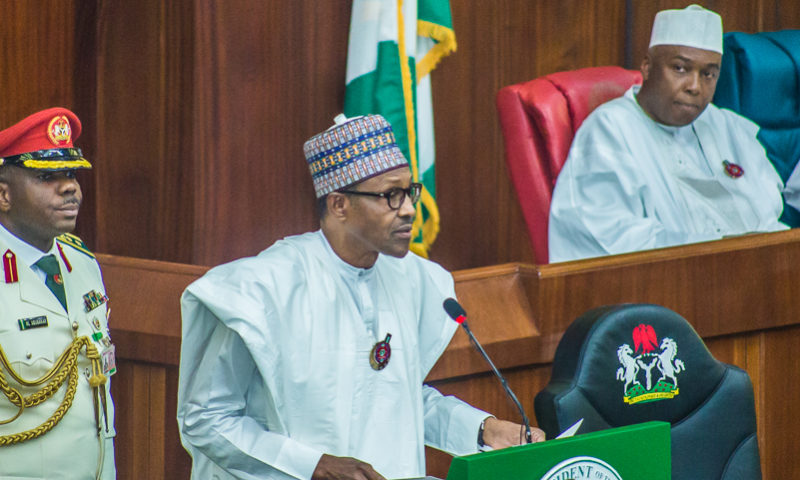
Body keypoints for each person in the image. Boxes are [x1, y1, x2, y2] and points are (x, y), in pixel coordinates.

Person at [177, 114, 545, 480]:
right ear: (339, 205)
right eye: (390, 196)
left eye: (410, 191)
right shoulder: (262, 290)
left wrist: (483, 430)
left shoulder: (414, 279)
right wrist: (314, 466)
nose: (409, 209)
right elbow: (206, 419)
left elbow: (396, 403)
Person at [548, 5, 788, 263]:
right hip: (662, 290)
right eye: (680, 69)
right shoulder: (610, 130)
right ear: (647, 67)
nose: (695, 87)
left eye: (708, 74)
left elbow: (769, 217)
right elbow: (610, 241)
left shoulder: (726, 126)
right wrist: (721, 249)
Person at [0, 108, 116, 478]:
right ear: (4, 194)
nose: (69, 187)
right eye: (47, 176)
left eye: (70, 173)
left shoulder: (82, 262)